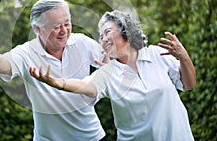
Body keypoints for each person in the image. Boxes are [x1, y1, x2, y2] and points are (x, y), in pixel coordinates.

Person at [0, 0, 108, 141]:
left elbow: (111, 59)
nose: (64, 31)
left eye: (67, 23)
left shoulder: (81, 43)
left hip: (91, 136)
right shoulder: (26, 53)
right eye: (56, 26)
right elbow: (2, 64)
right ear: (37, 29)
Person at [30, 10, 196, 141]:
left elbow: (188, 85)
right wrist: (59, 83)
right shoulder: (108, 71)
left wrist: (184, 57)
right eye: (101, 37)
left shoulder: (157, 54)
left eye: (107, 32)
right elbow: (87, 86)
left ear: (126, 31)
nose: (103, 39)